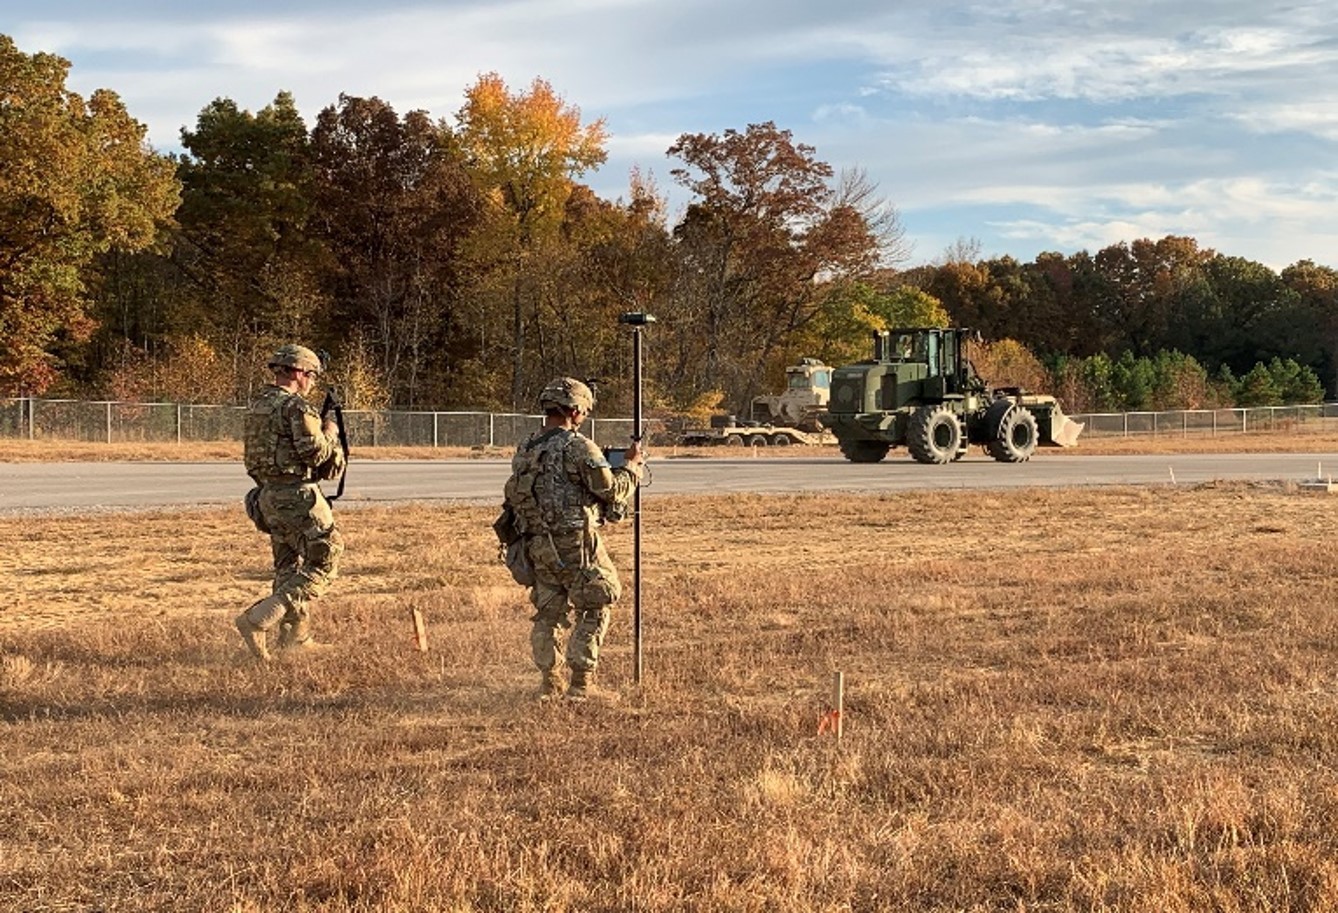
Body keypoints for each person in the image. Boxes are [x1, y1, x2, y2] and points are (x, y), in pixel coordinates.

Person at [503, 376, 645, 700]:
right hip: (576, 544)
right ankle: (581, 684)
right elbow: (612, 488)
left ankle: (549, 684)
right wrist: (633, 467)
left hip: (537, 545)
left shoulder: (526, 448)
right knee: (598, 600)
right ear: (577, 411)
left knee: (548, 611)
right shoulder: (579, 446)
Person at [235, 344, 346, 661]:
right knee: (325, 559)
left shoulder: (257, 405)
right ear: (298, 372)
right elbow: (319, 456)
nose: (312, 382)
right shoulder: (295, 408)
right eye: (311, 375)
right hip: (297, 495)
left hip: (268, 496)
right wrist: (330, 431)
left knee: (288, 566)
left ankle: (295, 637)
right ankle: (258, 619)